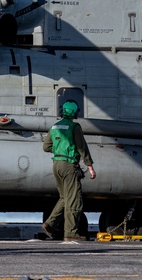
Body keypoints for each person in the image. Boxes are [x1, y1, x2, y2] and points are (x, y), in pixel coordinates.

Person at [41, 100, 96, 241]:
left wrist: (59, 148)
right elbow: (81, 147)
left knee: (64, 198)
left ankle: (49, 224)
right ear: (73, 112)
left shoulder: (54, 127)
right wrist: (90, 166)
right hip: (68, 165)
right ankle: (71, 233)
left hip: (56, 165)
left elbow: (46, 147)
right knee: (74, 200)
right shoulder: (74, 127)